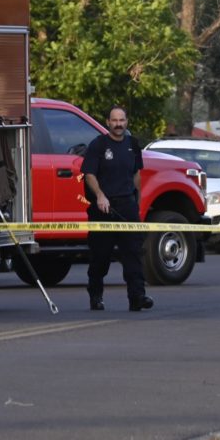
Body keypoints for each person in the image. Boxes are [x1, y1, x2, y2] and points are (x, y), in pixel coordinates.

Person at [81, 105, 154, 313]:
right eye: (114, 120)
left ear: (126, 122)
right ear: (108, 122)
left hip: (127, 206)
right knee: (100, 256)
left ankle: (137, 297)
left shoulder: (133, 144)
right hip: (103, 208)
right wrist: (100, 195)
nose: (118, 124)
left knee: (133, 253)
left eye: (122, 120)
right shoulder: (98, 145)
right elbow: (89, 174)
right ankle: (95, 295)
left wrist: (136, 200)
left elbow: (136, 174)